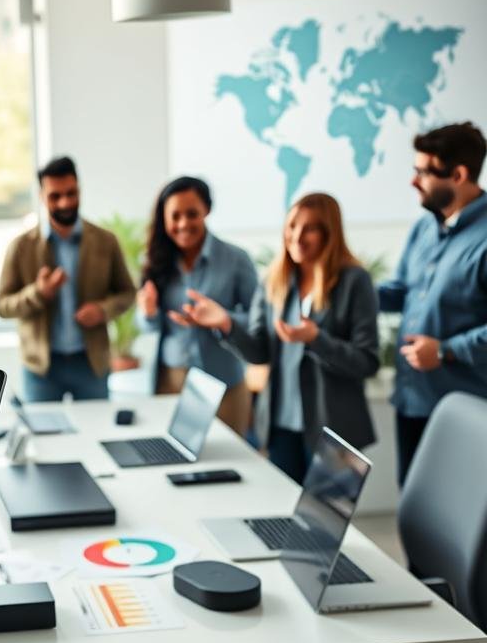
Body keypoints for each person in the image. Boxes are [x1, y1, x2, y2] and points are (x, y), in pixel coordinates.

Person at [175, 193, 379, 484]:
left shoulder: (354, 281)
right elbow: (259, 351)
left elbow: (367, 361)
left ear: (328, 234)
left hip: (333, 428)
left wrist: (316, 339)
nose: (297, 236)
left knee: (324, 524)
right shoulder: (275, 280)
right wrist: (226, 323)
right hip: (279, 426)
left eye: (309, 228)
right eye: (292, 226)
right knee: (282, 517)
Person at [378, 122, 487, 485]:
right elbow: (399, 291)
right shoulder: (423, 228)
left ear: (458, 175)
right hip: (412, 399)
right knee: (412, 504)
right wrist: (339, 288)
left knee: (454, 521)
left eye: (423, 172)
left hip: (461, 408)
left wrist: (446, 351)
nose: (414, 182)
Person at [0, 156, 136, 401]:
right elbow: (3, 306)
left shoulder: (106, 241)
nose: (65, 203)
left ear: (79, 190)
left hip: (91, 362)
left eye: (71, 193)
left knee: (96, 431)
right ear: (41, 196)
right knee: (42, 438)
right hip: (41, 367)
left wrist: (102, 310)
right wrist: (38, 293)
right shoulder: (20, 247)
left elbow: (128, 293)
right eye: (55, 196)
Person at [137, 176, 258, 435]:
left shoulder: (236, 259)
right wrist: (148, 313)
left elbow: (258, 322)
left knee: (232, 467)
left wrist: (224, 320)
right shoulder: (156, 260)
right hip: (172, 383)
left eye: (192, 214)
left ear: (207, 210)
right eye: (175, 216)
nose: (183, 224)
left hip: (224, 385)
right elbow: (148, 327)